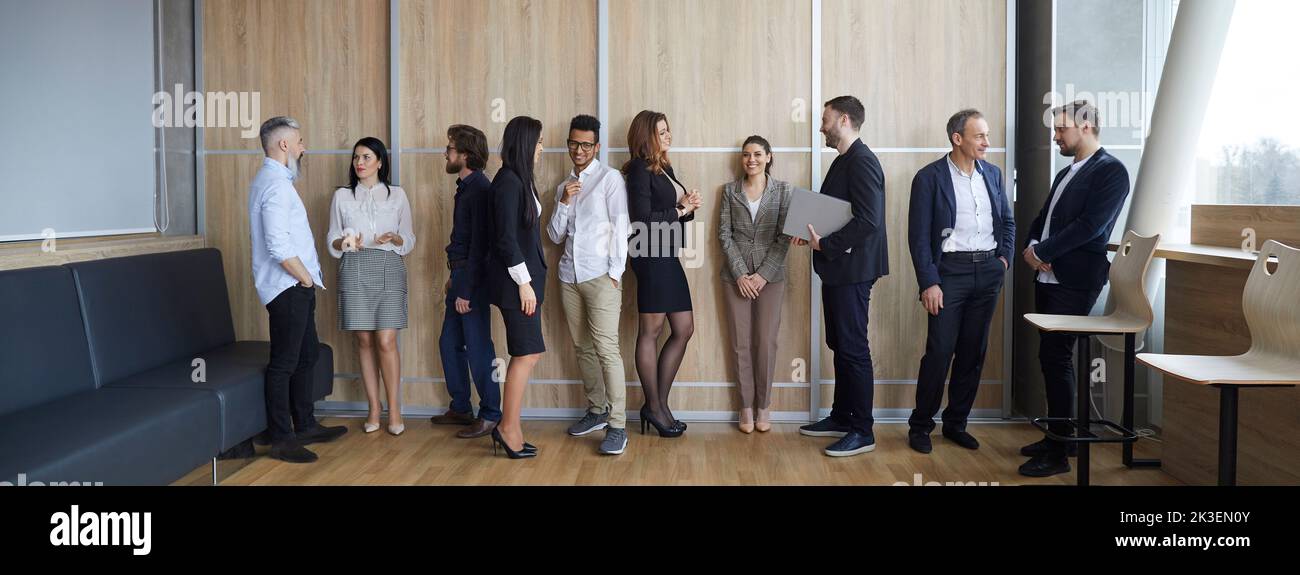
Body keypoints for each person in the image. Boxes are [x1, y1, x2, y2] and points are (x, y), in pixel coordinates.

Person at [1019, 100, 1130, 477]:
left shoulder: (1112, 171)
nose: (1055, 136)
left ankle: (1059, 452)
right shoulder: (1068, 172)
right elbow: (1043, 217)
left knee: (1058, 358)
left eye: (1061, 129)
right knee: (1049, 359)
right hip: (1048, 274)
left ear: (1086, 127)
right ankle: (1057, 435)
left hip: (1075, 279)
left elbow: (1091, 227)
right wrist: (1033, 247)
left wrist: (1043, 251)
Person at [905, 109, 1014, 454]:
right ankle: (921, 425)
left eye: (986, 135)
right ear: (957, 139)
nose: (987, 142)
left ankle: (956, 423)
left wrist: (1003, 261)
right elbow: (919, 237)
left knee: (973, 352)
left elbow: (1007, 223)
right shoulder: (929, 177)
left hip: (988, 271)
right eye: (979, 136)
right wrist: (928, 282)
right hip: (948, 274)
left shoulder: (994, 175)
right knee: (939, 352)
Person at [791, 96, 888, 457]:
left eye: (825, 120)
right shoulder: (843, 161)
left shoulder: (862, 161)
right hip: (837, 269)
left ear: (844, 120)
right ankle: (841, 416)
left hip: (852, 271)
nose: (821, 127)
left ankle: (862, 430)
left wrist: (826, 243)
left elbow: (868, 220)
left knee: (853, 349)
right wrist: (809, 230)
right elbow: (837, 211)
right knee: (840, 345)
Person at [247, 116, 347, 463]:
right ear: (284, 145)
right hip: (288, 287)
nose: (304, 148)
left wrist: (307, 280)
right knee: (285, 363)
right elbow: (277, 245)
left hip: (297, 285)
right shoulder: (274, 185)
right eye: (300, 142)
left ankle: (304, 424)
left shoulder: (277, 181)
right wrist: (304, 278)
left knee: (307, 356)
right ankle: (281, 438)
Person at [548, 115, 632, 455]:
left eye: (585, 144)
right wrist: (563, 203)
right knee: (582, 347)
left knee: (606, 349)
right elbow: (554, 235)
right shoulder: (563, 187)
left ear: (596, 146)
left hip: (601, 276)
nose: (578, 150)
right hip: (569, 276)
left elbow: (621, 227)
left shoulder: (610, 179)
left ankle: (618, 425)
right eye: (573, 143)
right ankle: (596, 411)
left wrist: (616, 273)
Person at [325, 137, 415, 437]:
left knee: (386, 340)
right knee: (364, 340)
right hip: (355, 266)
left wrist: (396, 238)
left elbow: (409, 239)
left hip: (389, 266)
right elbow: (332, 240)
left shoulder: (397, 195)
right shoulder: (341, 196)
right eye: (356, 158)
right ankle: (373, 408)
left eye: (365, 157)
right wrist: (346, 242)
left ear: (380, 161)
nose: (359, 163)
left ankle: (395, 409)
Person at [623, 110, 702, 438]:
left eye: (668, 129)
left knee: (683, 328)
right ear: (647, 136)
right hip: (649, 255)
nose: (668, 135)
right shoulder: (639, 171)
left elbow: (668, 215)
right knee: (651, 332)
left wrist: (687, 209)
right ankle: (655, 408)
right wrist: (680, 209)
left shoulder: (663, 167)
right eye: (662, 131)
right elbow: (641, 219)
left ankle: (657, 404)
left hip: (667, 254)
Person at [718, 135, 794, 433]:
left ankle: (764, 405)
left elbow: (785, 236)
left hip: (770, 277)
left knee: (766, 342)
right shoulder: (728, 192)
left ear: (769, 157)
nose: (751, 159)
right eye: (746, 154)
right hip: (734, 278)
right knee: (740, 344)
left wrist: (761, 275)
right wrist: (740, 274)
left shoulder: (783, 191)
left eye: (758, 154)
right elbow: (724, 235)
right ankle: (745, 406)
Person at [431, 124, 502, 440]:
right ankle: (461, 407)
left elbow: (481, 247)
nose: (446, 153)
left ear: (465, 155)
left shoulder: (480, 190)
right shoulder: (465, 188)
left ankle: (490, 414)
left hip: (471, 280)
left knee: (477, 347)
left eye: (450, 148)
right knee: (449, 343)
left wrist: (466, 288)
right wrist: (453, 277)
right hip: (460, 276)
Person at [485, 116, 548, 459]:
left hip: (526, 283)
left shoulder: (520, 180)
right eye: (538, 142)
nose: (541, 148)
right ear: (525, 143)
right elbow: (507, 241)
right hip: (517, 285)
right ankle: (507, 428)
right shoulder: (508, 182)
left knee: (528, 353)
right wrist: (525, 284)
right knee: (526, 354)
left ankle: (511, 427)